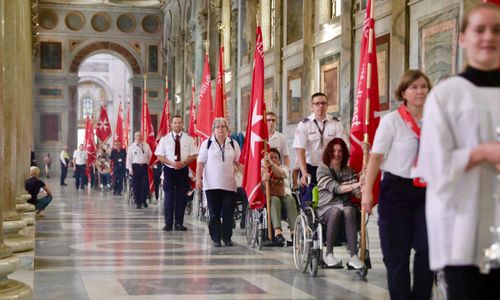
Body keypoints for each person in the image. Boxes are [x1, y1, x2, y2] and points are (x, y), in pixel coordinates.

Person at [418, 4, 500, 300]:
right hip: (464, 228)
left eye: (496, 30)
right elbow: (433, 165)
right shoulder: (447, 94)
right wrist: (482, 153)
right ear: (463, 38)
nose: (488, 37)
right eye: (479, 30)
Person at [362, 70, 434, 300]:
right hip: (396, 191)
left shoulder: (437, 119)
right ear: (403, 92)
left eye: (423, 86)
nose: (420, 91)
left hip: (427, 191)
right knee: (397, 255)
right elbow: (376, 158)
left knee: (428, 250)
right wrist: (367, 193)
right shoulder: (391, 121)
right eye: (413, 87)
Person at [292, 92, 347, 205]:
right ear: (312, 106)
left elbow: (343, 147)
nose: (320, 106)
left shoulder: (335, 123)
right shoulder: (304, 124)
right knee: (309, 200)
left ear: (327, 105)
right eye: (317, 104)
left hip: (329, 167)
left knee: (332, 198)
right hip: (310, 167)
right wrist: (304, 173)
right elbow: (300, 150)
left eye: (323, 103)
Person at [316, 138, 363, 268]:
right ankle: (329, 254)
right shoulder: (322, 169)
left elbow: (357, 193)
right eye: (334, 151)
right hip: (326, 207)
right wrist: (357, 184)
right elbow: (336, 188)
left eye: (340, 151)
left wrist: (364, 185)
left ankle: (354, 256)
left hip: (345, 206)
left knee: (349, 210)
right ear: (329, 153)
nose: (337, 154)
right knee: (336, 211)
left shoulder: (350, 171)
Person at [196, 118, 241, 247]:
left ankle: (227, 237)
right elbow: (200, 163)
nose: (221, 129)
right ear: (213, 130)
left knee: (228, 212)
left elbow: (239, 163)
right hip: (211, 185)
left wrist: (247, 178)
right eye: (218, 127)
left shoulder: (233, 144)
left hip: (229, 185)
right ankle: (216, 238)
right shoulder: (207, 144)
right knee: (214, 213)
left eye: (223, 127)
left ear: (227, 130)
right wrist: (198, 179)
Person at [155, 115, 198, 231]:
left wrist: (184, 162)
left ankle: (179, 223)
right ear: (171, 125)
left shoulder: (189, 139)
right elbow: (159, 156)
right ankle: (168, 223)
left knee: (181, 198)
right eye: (175, 123)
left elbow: (194, 155)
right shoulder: (165, 139)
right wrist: (171, 163)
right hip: (169, 170)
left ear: (182, 124)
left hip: (183, 170)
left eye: (179, 123)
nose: (177, 125)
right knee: (169, 197)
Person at [261, 148, 297, 245]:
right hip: (270, 197)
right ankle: (278, 232)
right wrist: (264, 179)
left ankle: (294, 233)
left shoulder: (283, 168)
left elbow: (281, 174)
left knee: (290, 199)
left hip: (284, 194)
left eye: (275, 158)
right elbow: (260, 185)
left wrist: (271, 164)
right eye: (271, 157)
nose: (273, 159)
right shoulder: (262, 169)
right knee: (275, 200)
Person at [127, 132, 152, 209]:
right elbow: (129, 159)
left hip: (144, 166)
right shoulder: (131, 147)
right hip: (135, 167)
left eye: (140, 136)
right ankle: (138, 202)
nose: (139, 137)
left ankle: (143, 200)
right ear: (135, 137)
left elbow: (150, 156)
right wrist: (130, 168)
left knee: (145, 185)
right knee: (136, 185)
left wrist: (151, 164)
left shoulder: (146, 145)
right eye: (137, 136)